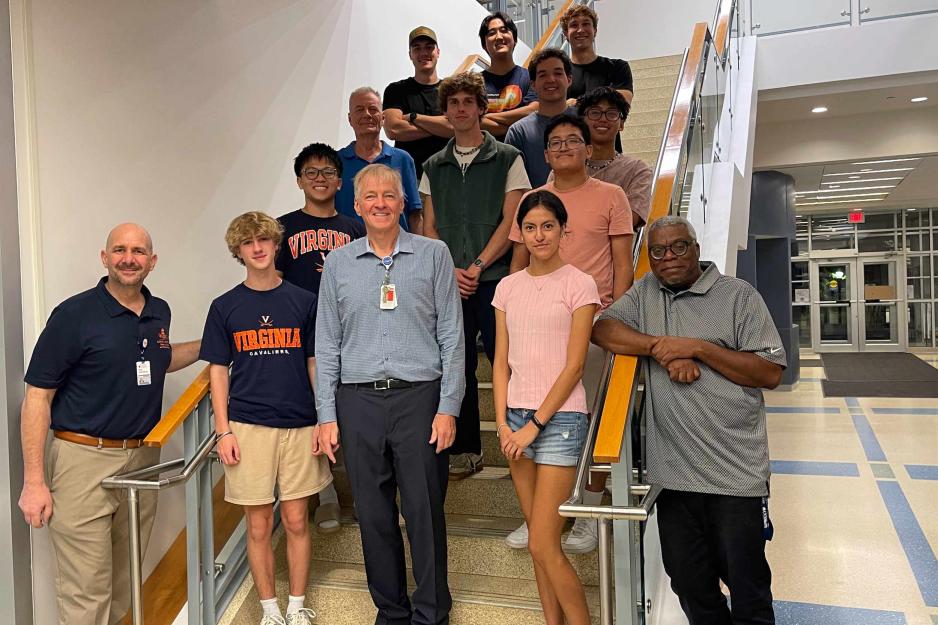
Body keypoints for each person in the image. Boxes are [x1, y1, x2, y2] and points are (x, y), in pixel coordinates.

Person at [592, 215, 785, 625]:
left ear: (696, 248)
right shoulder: (645, 293)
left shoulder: (738, 296)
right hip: (675, 478)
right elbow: (602, 329)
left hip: (736, 478)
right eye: (657, 251)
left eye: (679, 247)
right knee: (690, 586)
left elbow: (769, 372)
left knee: (748, 590)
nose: (668, 258)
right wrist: (661, 348)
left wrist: (698, 348)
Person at [18, 223, 200, 625]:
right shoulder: (74, 315)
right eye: (119, 250)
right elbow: (37, 397)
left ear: (152, 262)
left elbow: (159, 362)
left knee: (123, 583)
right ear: (105, 258)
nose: (128, 258)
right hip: (82, 458)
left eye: (138, 251)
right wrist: (34, 481)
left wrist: (211, 345)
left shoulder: (158, 312)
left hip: (142, 460)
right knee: (87, 590)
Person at [315, 164, 465, 625]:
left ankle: (431, 612)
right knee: (374, 516)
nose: (381, 203)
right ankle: (392, 612)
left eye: (390, 195)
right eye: (371, 197)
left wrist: (449, 407)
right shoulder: (339, 263)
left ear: (403, 203)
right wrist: (326, 414)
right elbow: (327, 342)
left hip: (420, 397)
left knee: (422, 510)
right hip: (357, 402)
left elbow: (452, 337)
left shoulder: (434, 254)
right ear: (356, 207)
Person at [506, 114, 633, 552]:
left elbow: (623, 260)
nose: (563, 149)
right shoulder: (536, 199)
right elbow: (518, 262)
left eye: (571, 141)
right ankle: (538, 519)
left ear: (588, 146)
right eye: (555, 143)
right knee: (533, 415)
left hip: (591, 324)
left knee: (590, 422)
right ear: (545, 154)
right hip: (539, 320)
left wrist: (619, 311)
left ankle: (584, 512)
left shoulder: (611, 195)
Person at [202, 211, 329, 625]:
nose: (257, 248)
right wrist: (223, 432)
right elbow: (217, 372)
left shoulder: (303, 301)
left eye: (263, 240)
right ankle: (269, 610)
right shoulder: (224, 307)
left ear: (277, 245)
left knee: (295, 519)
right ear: (238, 252)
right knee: (258, 526)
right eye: (247, 243)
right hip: (248, 425)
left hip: (299, 422)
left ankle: (296, 605)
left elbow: (314, 363)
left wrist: (323, 417)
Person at [493, 191, 599, 625]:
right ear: (521, 232)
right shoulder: (507, 287)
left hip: (559, 421)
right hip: (514, 419)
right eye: (531, 227)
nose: (539, 235)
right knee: (541, 541)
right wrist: (501, 423)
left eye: (548, 226)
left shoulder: (580, 283)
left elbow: (575, 366)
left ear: (563, 231)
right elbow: (500, 362)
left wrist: (534, 426)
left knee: (542, 542)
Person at [421, 71, 531, 479]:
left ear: (482, 109)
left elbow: (513, 219)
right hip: (449, 284)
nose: (461, 109)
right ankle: (465, 449)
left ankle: (521, 441)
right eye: (454, 103)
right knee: (457, 365)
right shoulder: (434, 164)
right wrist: (450, 270)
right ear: (446, 111)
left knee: (512, 361)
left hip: (499, 279)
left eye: (469, 102)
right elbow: (428, 226)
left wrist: (479, 265)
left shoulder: (507, 158)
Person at [276, 141, 365, 534]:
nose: (319, 179)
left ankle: (365, 495)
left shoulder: (355, 228)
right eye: (310, 172)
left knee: (354, 413)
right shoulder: (281, 228)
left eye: (327, 172)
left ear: (340, 181)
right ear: (299, 181)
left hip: (351, 334)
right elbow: (272, 280)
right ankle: (326, 495)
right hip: (301, 337)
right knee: (314, 413)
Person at [336, 87, 423, 234]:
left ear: (383, 118)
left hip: (398, 251)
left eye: (372, 109)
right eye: (359, 110)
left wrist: (421, 253)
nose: (367, 114)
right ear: (350, 119)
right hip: (349, 252)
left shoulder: (403, 159)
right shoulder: (336, 162)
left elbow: (414, 215)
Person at [569, 87, 652, 228]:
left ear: (622, 123)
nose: (603, 119)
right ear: (582, 121)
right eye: (594, 113)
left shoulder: (637, 170)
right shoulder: (567, 168)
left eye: (611, 114)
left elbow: (629, 219)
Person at [505, 48, 575, 188]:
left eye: (558, 73)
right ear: (533, 84)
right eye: (542, 75)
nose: (551, 80)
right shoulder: (518, 132)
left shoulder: (586, 122)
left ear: (569, 79)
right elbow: (513, 187)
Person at [478, 12, 538, 137]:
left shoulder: (530, 77)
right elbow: (469, 120)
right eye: (491, 33)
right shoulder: (475, 83)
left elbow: (533, 111)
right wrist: (516, 123)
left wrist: (485, 118)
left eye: (504, 30)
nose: (499, 37)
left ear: (515, 40)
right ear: (484, 45)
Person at [560, 4, 633, 103]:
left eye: (586, 24)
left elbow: (623, 101)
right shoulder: (559, 73)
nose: (580, 30)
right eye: (574, 25)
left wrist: (575, 103)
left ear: (595, 31)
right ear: (565, 34)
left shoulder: (618, 67)